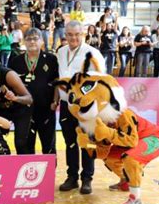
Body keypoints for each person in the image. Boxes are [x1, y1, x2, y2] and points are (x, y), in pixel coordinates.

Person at [56, 20, 105, 194]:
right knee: (70, 142)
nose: (73, 38)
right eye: (70, 34)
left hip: (85, 107)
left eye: (77, 34)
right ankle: (72, 177)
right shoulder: (60, 52)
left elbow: (101, 81)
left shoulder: (93, 53)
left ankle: (87, 178)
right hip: (65, 105)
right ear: (65, 35)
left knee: (87, 142)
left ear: (83, 34)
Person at [8, 28, 58, 155]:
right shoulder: (15, 61)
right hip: (24, 111)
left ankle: (49, 174)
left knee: (49, 146)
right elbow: (10, 84)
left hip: (46, 110)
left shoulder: (51, 60)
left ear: (41, 41)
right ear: (24, 41)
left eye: (35, 38)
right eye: (28, 39)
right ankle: (26, 174)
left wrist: (55, 102)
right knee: (25, 147)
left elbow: (57, 82)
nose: (32, 42)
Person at [0, 53, 33, 154]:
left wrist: (15, 98)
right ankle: (4, 160)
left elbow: (29, 99)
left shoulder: (9, 75)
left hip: (20, 110)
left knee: (20, 143)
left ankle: (24, 166)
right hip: (2, 110)